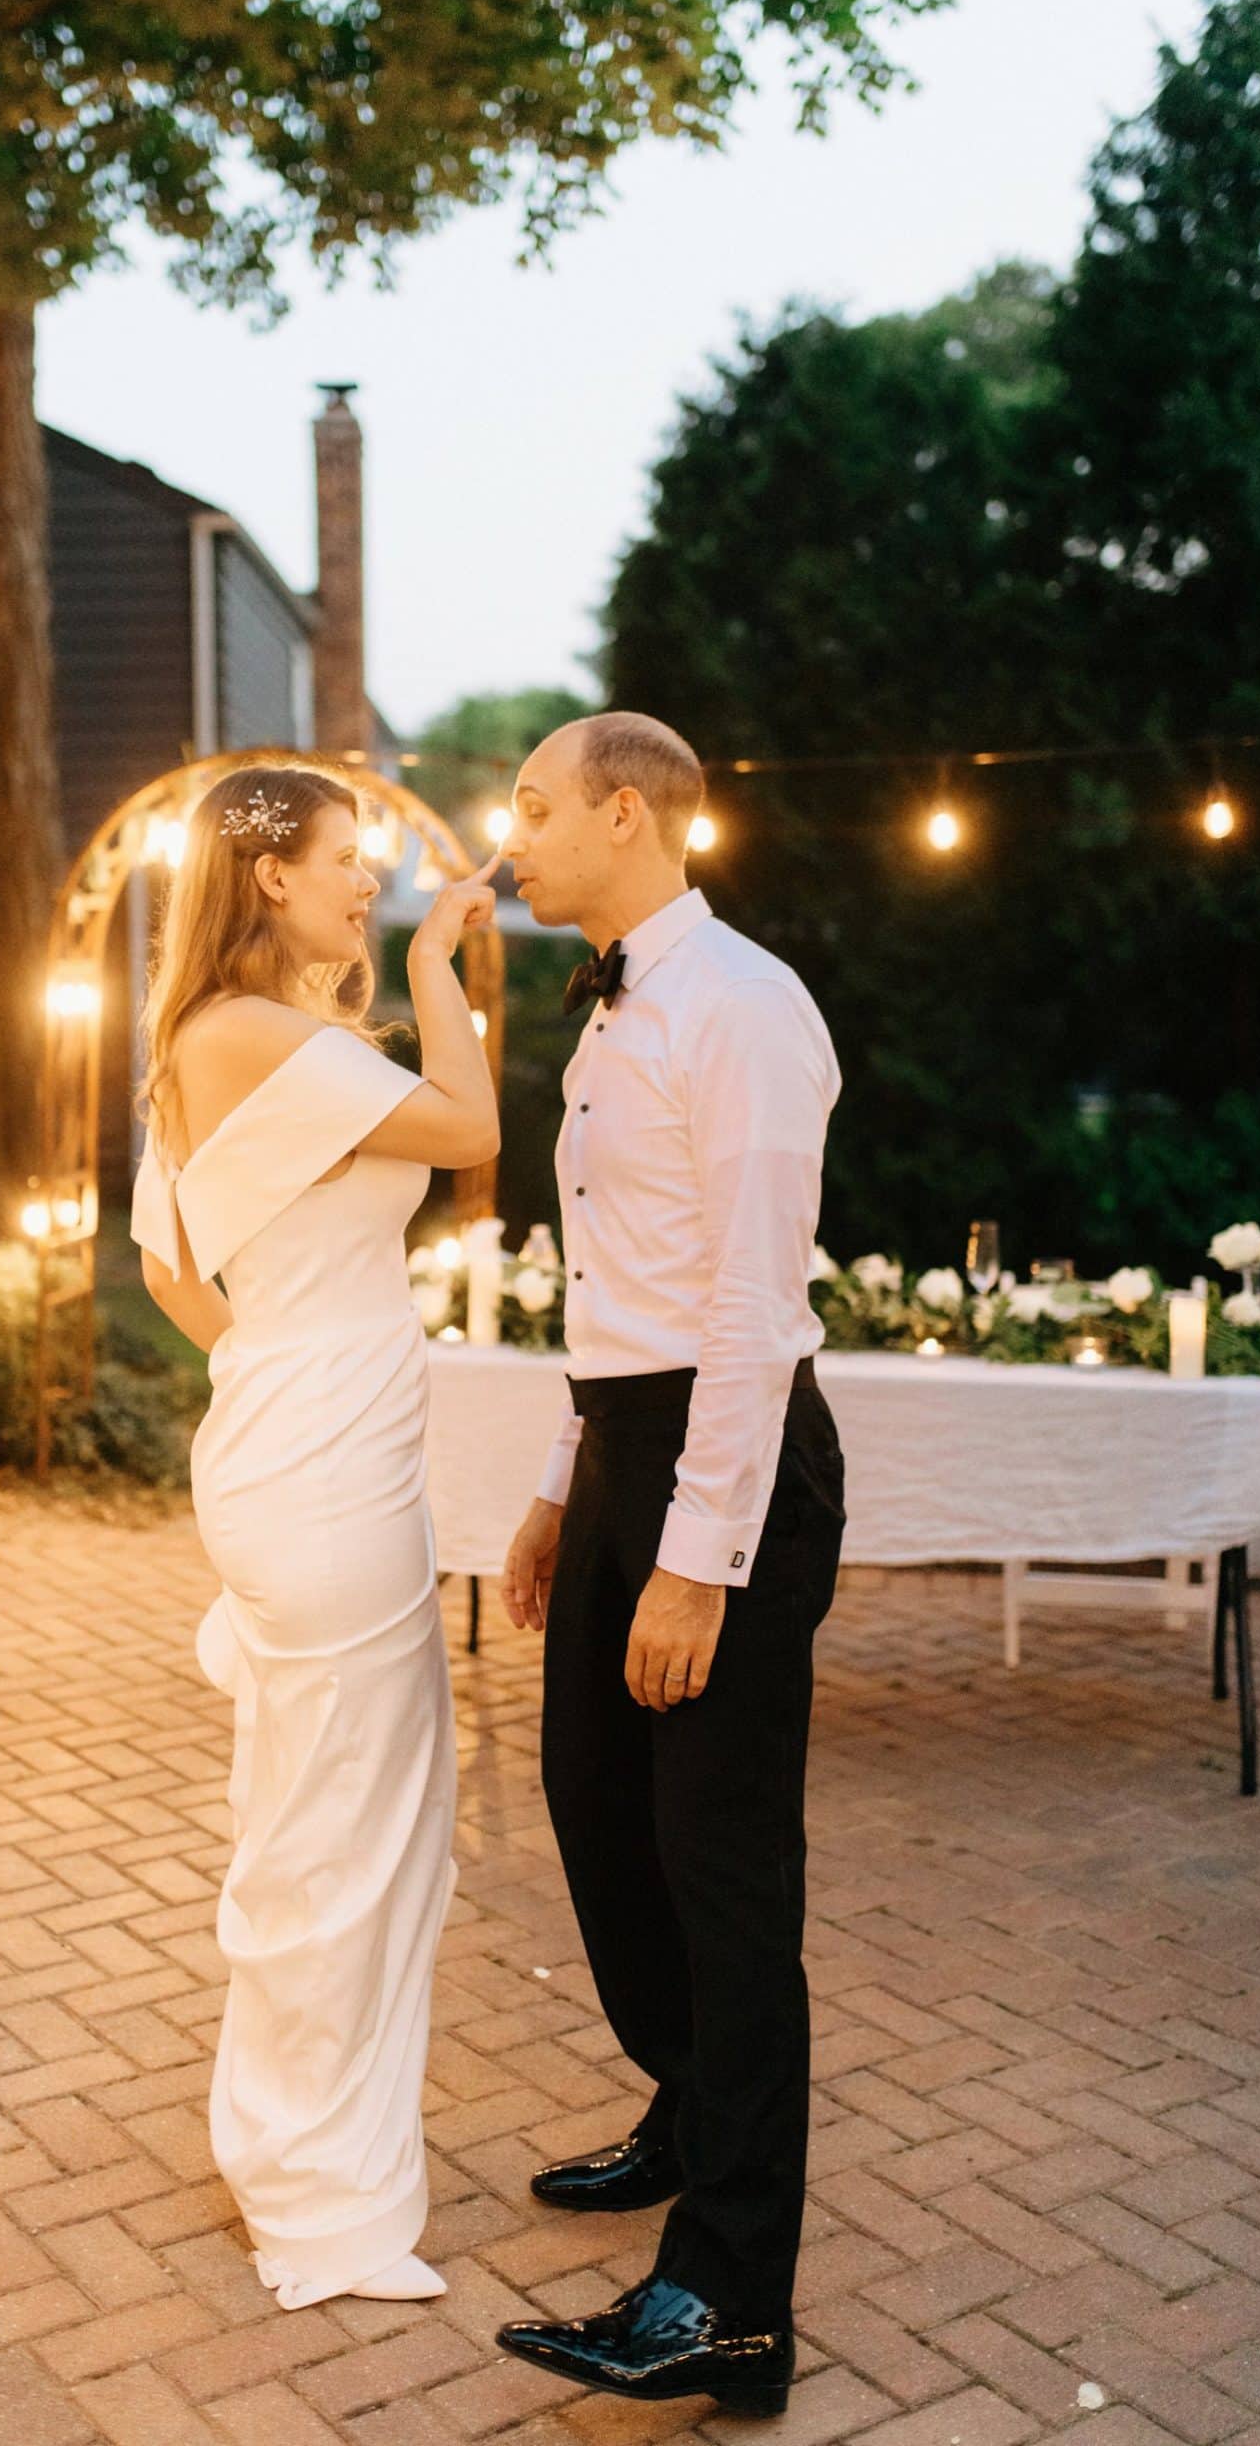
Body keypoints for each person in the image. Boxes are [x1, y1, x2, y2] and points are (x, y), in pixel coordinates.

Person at [492, 712, 845, 2416]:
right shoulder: (622, 997)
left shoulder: (746, 1009)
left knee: (720, 1874)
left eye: (537, 808)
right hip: (625, 1449)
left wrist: (697, 1562)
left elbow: (750, 1315)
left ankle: (726, 2295)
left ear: (627, 814)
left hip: (736, 1471)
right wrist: (570, 1489)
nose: (517, 838)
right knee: (589, 1802)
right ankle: (689, 2101)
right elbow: (614, 1288)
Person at [131, 761, 500, 2311]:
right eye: (352, 859)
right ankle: (319, 2189)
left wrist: (276, 1348)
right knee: (354, 1830)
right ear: (269, 878)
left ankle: (289, 2133)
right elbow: (474, 1130)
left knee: (327, 1811)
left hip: (305, 1443)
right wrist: (436, 966)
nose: (372, 880)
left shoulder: (215, 1041)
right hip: (323, 1472)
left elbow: (165, 1270)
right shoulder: (258, 1034)